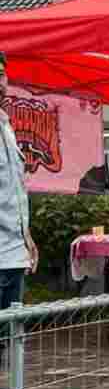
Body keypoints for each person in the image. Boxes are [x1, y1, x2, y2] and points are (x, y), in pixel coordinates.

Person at [0, 49, 38, 314]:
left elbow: (14, 190)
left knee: (11, 340)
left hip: (13, 255)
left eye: (1, 75)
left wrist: (27, 237)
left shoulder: (6, 125)